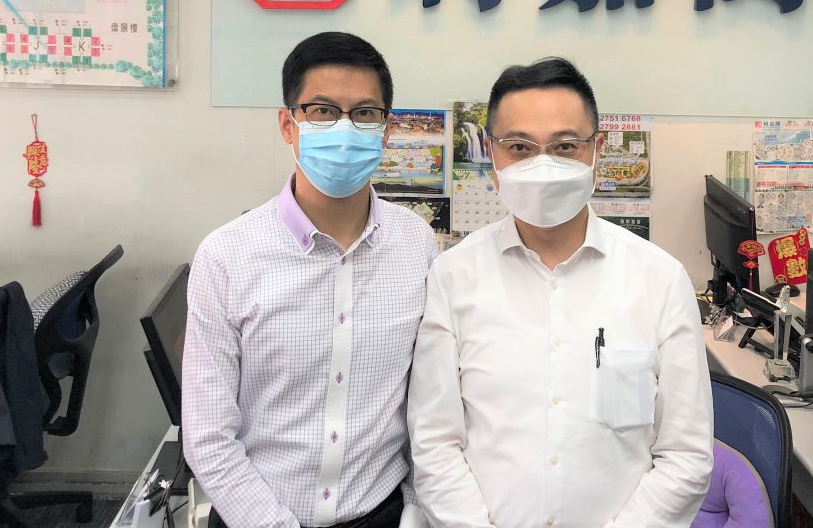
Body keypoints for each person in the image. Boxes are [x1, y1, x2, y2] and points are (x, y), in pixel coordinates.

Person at [408, 57, 713, 528]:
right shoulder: (453, 276)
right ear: (492, 153)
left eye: (565, 146)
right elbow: (434, 444)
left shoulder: (659, 280)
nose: (543, 165)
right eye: (520, 147)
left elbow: (686, 455)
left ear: (597, 151)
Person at [183, 32, 438, 528]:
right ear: (288, 124)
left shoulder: (416, 245)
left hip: (382, 514)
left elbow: (424, 404)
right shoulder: (227, 256)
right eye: (322, 111)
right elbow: (208, 437)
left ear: (386, 130)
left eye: (364, 113)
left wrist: (415, 508)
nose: (344, 127)